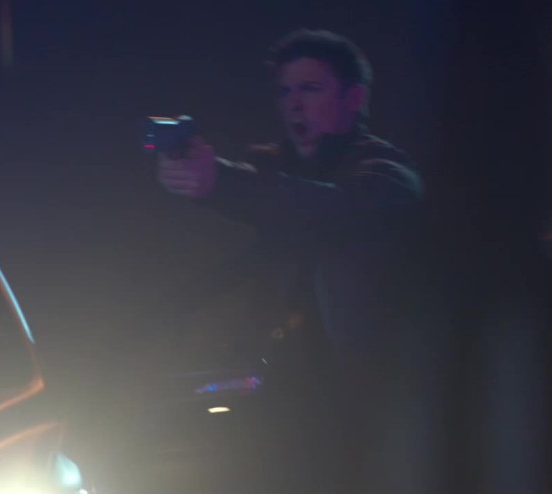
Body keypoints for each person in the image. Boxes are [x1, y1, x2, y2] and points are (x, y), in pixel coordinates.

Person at [158, 29, 445, 493]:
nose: (294, 104)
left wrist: (223, 182)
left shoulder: (388, 177)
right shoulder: (275, 174)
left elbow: (329, 207)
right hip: (277, 409)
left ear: (354, 98)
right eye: (285, 91)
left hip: (362, 416)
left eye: (310, 89)